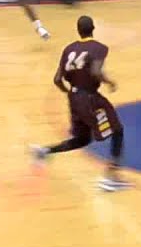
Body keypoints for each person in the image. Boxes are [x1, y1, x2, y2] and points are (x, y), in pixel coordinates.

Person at [32, 15, 127, 192]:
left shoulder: (69, 49)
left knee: (82, 139)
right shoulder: (98, 48)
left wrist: (70, 93)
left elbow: (57, 79)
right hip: (90, 97)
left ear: (78, 31)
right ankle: (110, 178)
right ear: (93, 28)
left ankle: (44, 151)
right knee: (118, 131)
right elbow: (96, 72)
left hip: (74, 98)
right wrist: (109, 82)